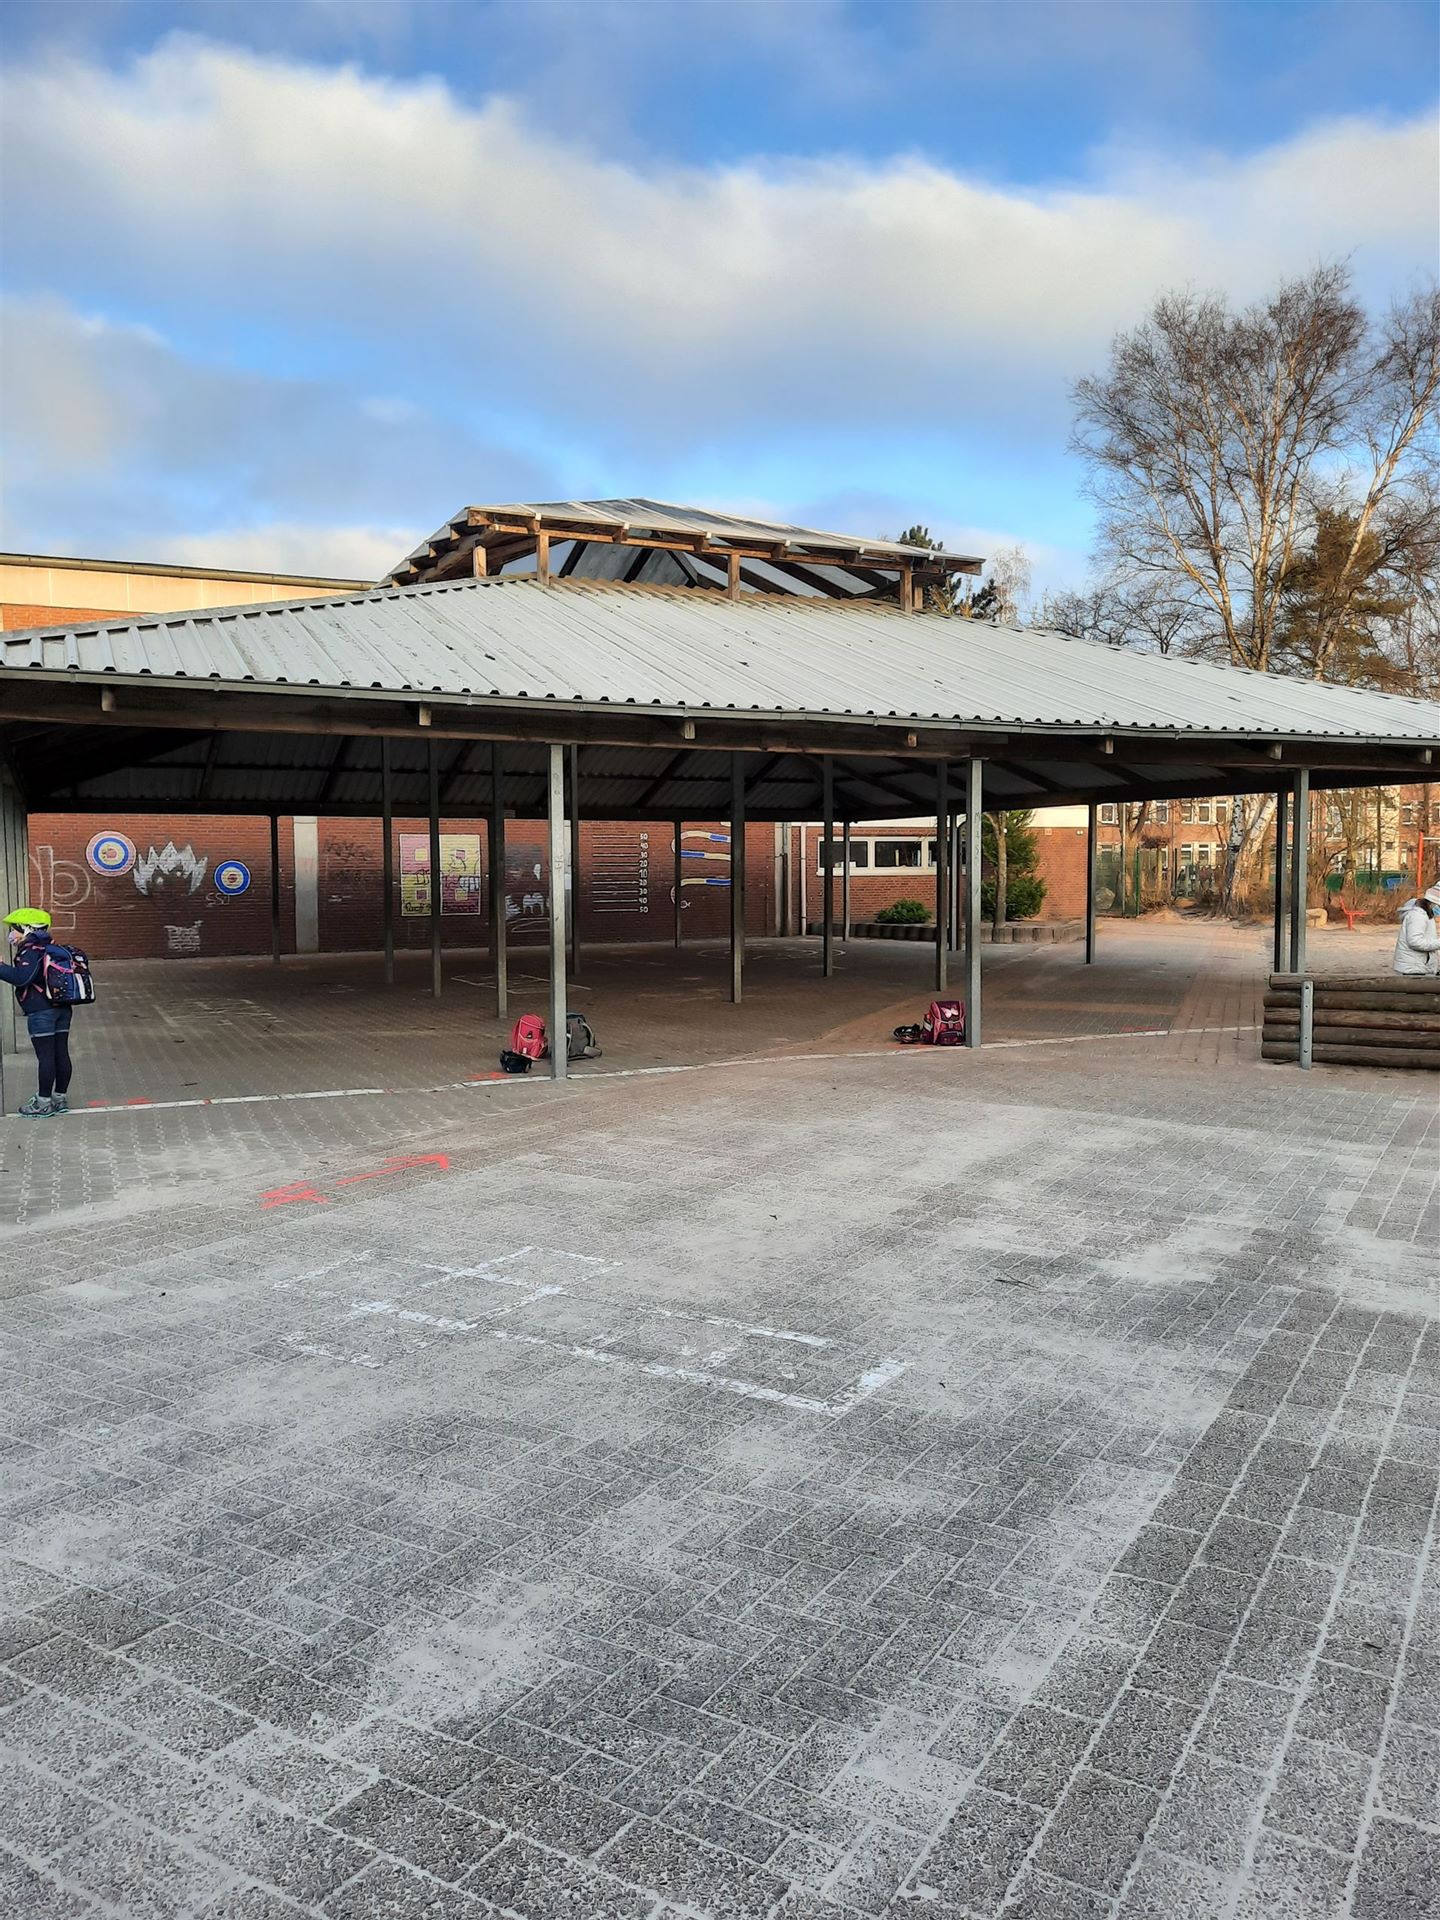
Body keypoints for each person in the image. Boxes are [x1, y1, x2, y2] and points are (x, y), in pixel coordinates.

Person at [0, 907, 77, 1116]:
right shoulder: (51, 947)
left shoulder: (31, 951)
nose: (11, 934)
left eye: (14, 929)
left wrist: (1, 967)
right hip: (62, 1008)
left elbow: (22, 978)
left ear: (27, 929)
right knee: (61, 1053)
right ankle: (59, 1099)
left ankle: (43, 1103)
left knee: (46, 1056)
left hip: (41, 1011)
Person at [1392, 884, 1440, 977]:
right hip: (1413, 967)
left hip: (1419, 964)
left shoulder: (1426, 914)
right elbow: (1415, 942)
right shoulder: (1418, 916)